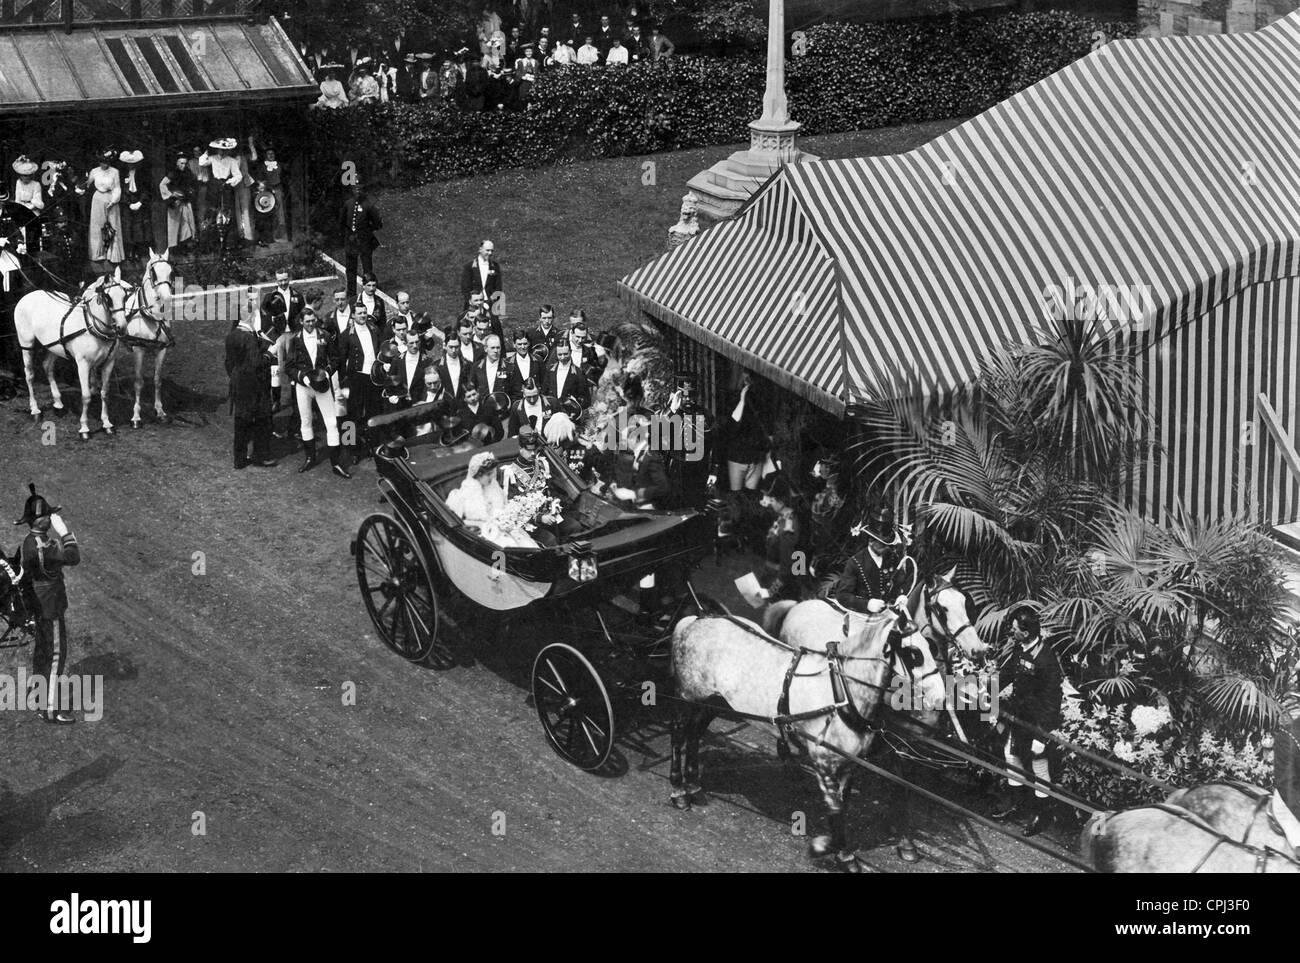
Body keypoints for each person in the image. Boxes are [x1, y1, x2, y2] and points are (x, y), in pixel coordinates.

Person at [992, 605, 1065, 837]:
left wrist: (1042, 736)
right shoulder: (1020, 648)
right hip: (1018, 717)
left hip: (1037, 722)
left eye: (1014, 629)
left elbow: (1053, 701)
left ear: (1027, 631)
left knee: (1039, 766)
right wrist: (986, 693)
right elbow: (1006, 676)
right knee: (1011, 758)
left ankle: (1040, 816)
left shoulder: (1046, 659)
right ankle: (1017, 805)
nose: (1011, 632)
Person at [16, 486, 80, 724]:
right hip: (50, 606)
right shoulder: (46, 546)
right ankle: (50, 710)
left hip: (37, 603)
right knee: (54, 656)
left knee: (41, 654)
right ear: (38, 520)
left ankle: (37, 699)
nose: (50, 519)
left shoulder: (29, 542)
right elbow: (73, 557)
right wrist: (65, 534)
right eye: (47, 516)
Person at [285, 308, 350, 478]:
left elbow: (336, 359)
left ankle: (336, 463)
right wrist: (304, 379)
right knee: (305, 421)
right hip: (304, 387)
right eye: (307, 321)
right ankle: (310, 458)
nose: (310, 323)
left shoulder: (325, 336)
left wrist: (326, 374)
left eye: (312, 320)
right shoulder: (295, 340)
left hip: (323, 386)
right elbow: (289, 366)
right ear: (301, 322)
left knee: (332, 423)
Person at [225, 292, 278, 469]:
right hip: (255, 386)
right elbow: (257, 362)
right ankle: (260, 456)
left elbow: (228, 362)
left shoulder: (232, 335)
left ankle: (239, 459)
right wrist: (270, 353)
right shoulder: (249, 338)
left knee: (241, 421)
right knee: (263, 419)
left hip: (238, 384)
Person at [446, 452, 538, 549]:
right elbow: (457, 524)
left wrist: (508, 518)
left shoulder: (494, 488)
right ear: (478, 475)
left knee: (527, 546)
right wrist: (481, 525)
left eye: (493, 473)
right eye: (488, 474)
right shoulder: (461, 495)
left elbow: (504, 509)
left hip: (506, 530)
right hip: (483, 537)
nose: (492, 477)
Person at [832, 506, 912, 615]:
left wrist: (902, 596)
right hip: (862, 616)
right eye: (881, 543)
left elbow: (903, 583)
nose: (886, 546)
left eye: (887, 542)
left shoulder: (893, 558)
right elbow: (843, 595)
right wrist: (866, 604)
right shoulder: (855, 563)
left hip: (890, 615)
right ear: (870, 540)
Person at [336, 303, 382, 460]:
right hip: (356, 378)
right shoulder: (346, 335)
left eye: (364, 312)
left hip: (373, 377)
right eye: (359, 313)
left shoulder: (375, 330)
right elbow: (341, 361)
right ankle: (351, 449)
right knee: (353, 414)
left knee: (373, 411)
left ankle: (372, 445)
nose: (362, 315)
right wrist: (344, 383)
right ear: (353, 316)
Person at [757, 474, 803, 602]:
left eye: (771, 501)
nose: (767, 504)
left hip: (780, 583)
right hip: (771, 573)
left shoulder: (788, 528)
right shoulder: (784, 516)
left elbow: (786, 570)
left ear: (781, 502)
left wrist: (771, 591)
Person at [609, 414, 670, 510]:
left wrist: (633, 494)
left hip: (652, 509)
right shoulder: (641, 454)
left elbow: (663, 488)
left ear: (633, 439)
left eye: (624, 441)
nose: (622, 444)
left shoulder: (651, 457)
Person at [722, 369, 768, 491]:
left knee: (751, 495)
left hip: (755, 459)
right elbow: (731, 426)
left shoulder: (760, 401)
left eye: (750, 379)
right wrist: (742, 400)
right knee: (736, 493)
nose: (747, 382)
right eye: (745, 379)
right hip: (737, 458)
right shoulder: (733, 398)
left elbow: (765, 428)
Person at [341, 186, 382, 300]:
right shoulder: (348, 204)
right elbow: (342, 221)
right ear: (352, 190)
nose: (358, 192)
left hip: (364, 241)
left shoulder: (368, 205)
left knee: (367, 267)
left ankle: (369, 292)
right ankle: (351, 293)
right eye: (355, 189)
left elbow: (377, 223)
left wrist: (366, 232)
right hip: (351, 241)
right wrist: (349, 235)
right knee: (350, 268)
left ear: (364, 191)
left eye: (360, 189)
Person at [85, 148, 123, 268]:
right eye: (102, 161)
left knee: (113, 225)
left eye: (106, 162)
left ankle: (114, 255)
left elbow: (117, 187)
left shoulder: (115, 172)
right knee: (97, 225)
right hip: (97, 199)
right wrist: (81, 187)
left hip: (111, 198)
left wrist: (113, 200)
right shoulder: (94, 171)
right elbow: (87, 184)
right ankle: (98, 254)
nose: (104, 164)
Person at [500, 423, 551, 499]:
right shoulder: (510, 473)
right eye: (529, 450)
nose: (533, 453)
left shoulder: (542, 464)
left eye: (534, 450)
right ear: (520, 448)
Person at [159, 155, 196, 252]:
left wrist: (189, 192)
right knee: (174, 225)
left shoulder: (189, 173)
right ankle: (174, 248)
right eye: (181, 163)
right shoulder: (172, 173)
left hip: (185, 201)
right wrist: (171, 195)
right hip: (175, 202)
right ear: (177, 163)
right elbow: (162, 185)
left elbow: (192, 185)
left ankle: (185, 246)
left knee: (186, 223)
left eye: (185, 163)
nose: (183, 165)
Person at [544, 340, 589, 408]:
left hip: (570, 413)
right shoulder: (550, 370)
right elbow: (544, 393)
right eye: (559, 354)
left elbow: (586, 400)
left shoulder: (579, 373)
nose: (562, 357)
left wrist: (574, 403)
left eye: (565, 354)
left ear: (570, 352)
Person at [461, 239, 502, 309]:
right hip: (473, 306)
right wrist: (472, 302)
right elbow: (465, 287)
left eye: (492, 251)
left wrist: (489, 302)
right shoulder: (469, 266)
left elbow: (498, 287)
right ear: (480, 250)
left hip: (490, 305)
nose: (490, 253)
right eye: (487, 250)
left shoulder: (495, 266)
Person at [438, 331, 473, 400]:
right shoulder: (437, 366)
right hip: (445, 405)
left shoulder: (468, 365)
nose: (454, 350)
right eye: (451, 347)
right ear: (445, 346)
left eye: (456, 347)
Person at [507, 329, 539, 396]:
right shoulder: (508, 363)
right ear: (514, 344)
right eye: (519, 344)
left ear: (529, 343)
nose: (523, 347)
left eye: (525, 344)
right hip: (516, 402)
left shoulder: (537, 360)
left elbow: (544, 381)